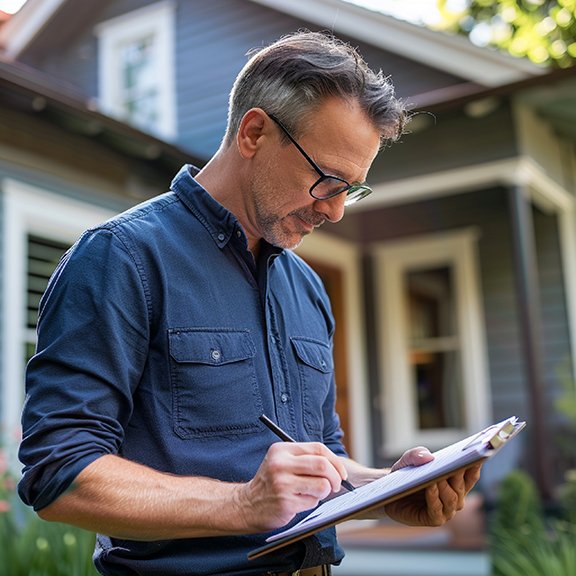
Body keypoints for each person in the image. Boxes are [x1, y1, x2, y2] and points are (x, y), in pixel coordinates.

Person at [18, 30, 481, 576]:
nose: (335, 213)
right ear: (255, 132)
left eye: (351, 189)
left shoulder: (307, 289)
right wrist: (242, 504)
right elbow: (61, 474)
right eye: (328, 180)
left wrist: (386, 490)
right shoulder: (121, 259)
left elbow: (323, 460)